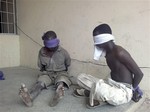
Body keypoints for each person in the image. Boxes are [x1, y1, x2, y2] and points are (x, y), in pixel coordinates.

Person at [73, 24, 143, 108]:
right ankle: (96, 94)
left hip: (123, 91)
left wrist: (133, 89)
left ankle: (92, 93)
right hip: (109, 83)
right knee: (81, 78)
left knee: (102, 90)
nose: (95, 44)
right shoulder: (107, 53)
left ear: (104, 39)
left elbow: (139, 74)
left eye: (97, 40)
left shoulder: (119, 52)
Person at [19, 31, 71, 107]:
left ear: (57, 43)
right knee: (40, 83)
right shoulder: (42, 52)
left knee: (61, 80)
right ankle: (29, 97)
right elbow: (40, 66)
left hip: (61, 73)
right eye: (50, 47)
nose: (52, 48)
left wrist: (62, 71)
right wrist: (45, 73)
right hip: (47, 74)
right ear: (45, 45)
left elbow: (68, 63)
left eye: (53, 46)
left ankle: (58, 93)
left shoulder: (63, 52)